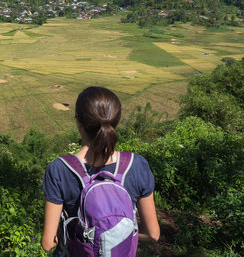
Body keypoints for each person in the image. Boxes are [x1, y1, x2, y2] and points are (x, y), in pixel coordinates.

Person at [41, 86, 160, 255]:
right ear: (116, 121)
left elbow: (47, 243)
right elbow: (153, 234)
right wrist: (114, 238)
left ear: (78, 122)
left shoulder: (59, 169)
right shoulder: (137, 165)